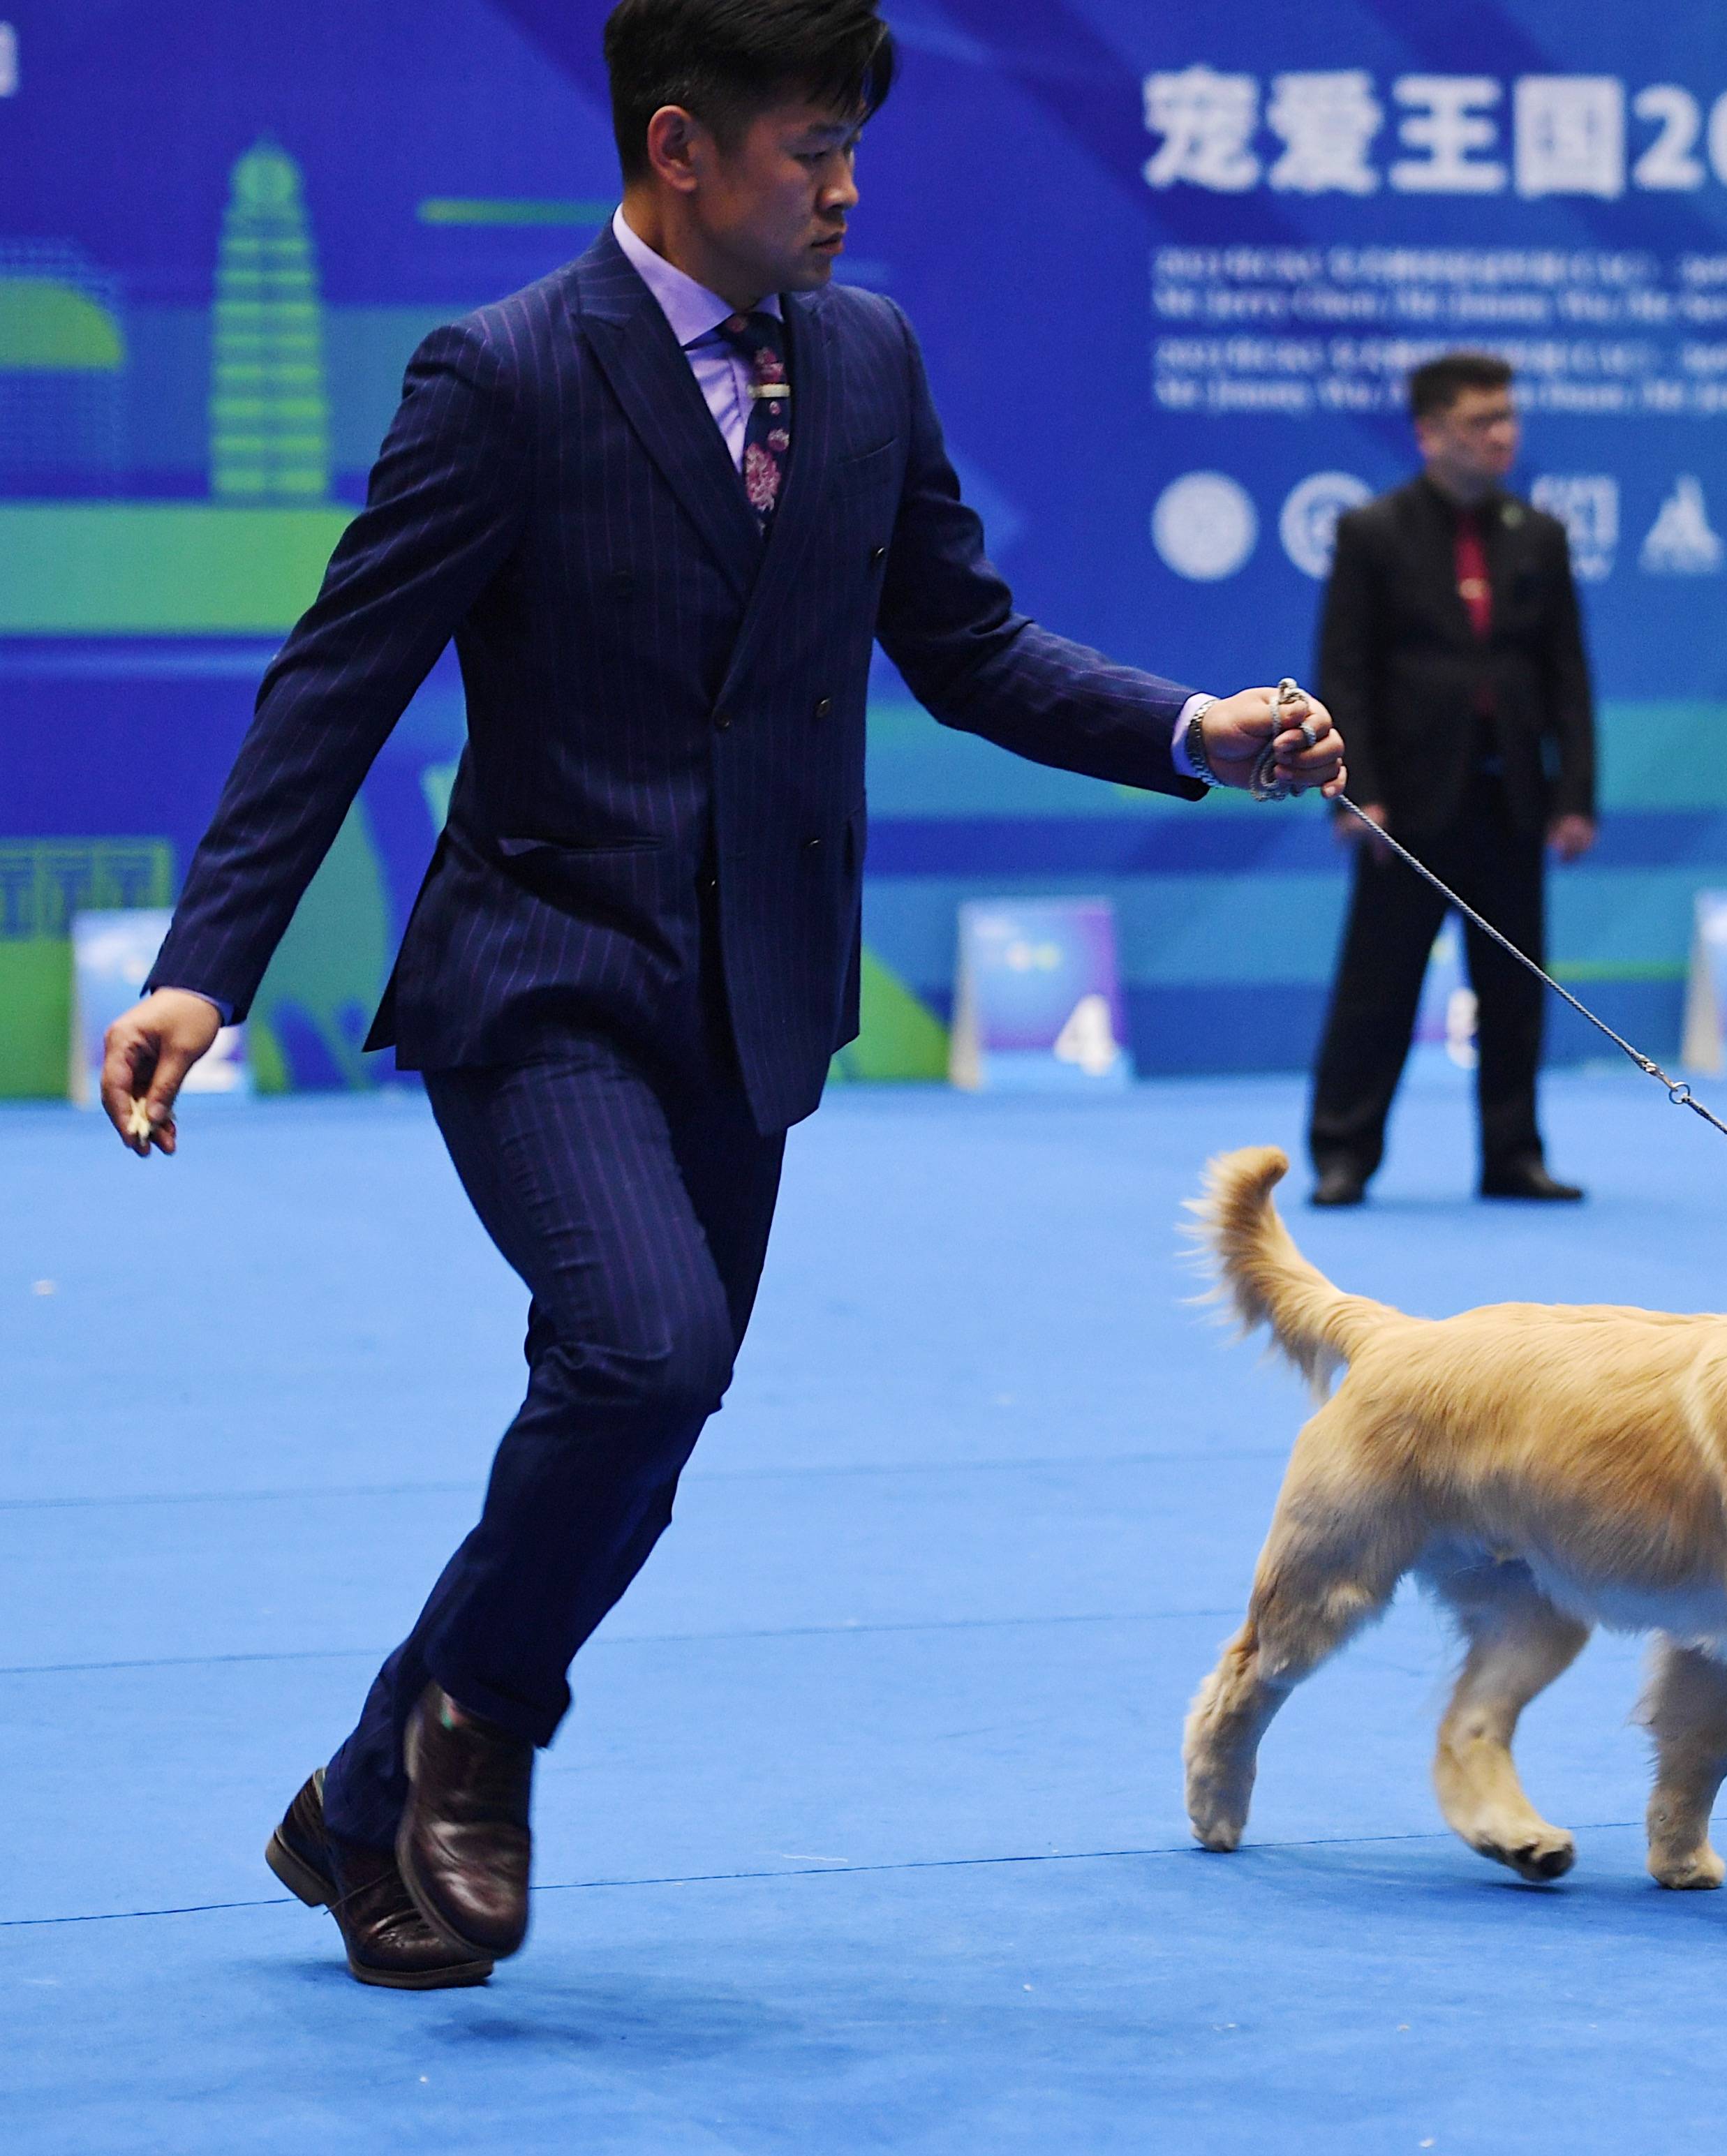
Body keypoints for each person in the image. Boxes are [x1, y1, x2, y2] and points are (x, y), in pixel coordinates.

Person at [94, 0, 1341, 1991]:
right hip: (536, 981)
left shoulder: (866, 356)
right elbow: (339, 679)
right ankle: (478, 1739)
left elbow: (967, 642)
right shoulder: (502, 376)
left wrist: (1196, 729)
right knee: (644, 1355)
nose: (846, 192)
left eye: (853, 146)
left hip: (754, 1000)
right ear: (678, 149)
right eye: (805, 153)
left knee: (633, 1432)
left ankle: (355, 1804)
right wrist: (200, 970)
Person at [1305, 352, 1598, 1207]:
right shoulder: (1373, 532)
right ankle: (1342, 1152)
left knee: (1513, 987)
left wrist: (1573, 794)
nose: (1502, 435)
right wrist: (1357, 790)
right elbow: (1344, 670)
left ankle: (1513, 1154)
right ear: (1430, 433)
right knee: (1377, 986)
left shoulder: (1537, 534)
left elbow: (1567, 678)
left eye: (1509, 418)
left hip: (1511, 799)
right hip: (1402, 804)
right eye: (1481, 421)